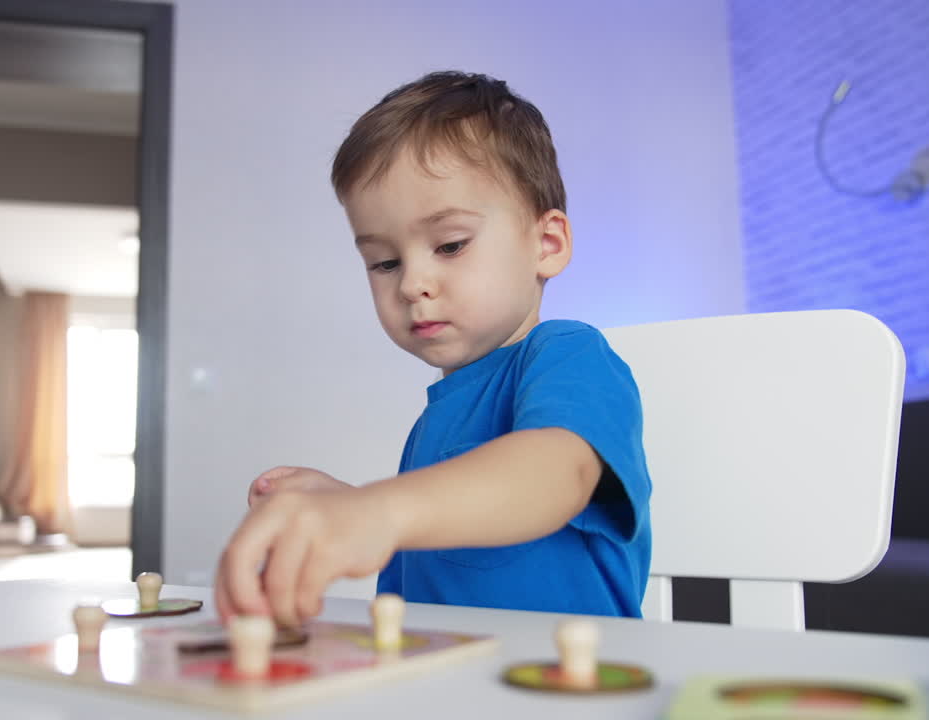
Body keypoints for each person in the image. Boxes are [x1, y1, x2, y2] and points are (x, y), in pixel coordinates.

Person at [214, 71, 651, 628]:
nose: (411, 283)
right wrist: (346, 505)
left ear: (547, 244)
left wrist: (378, 510)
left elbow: (552, 477)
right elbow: (442, 555)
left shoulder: (568, 354)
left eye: (449, 245)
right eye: (385, 262)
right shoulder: (438, 416)